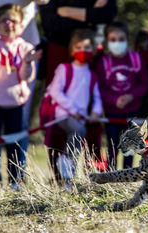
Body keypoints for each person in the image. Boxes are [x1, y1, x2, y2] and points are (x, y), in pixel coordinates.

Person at [0, 0, 49, 169]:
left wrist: (27, 63)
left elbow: (27, 77)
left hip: (17, 103)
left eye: (13, 21)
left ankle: (16, 177)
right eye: (4, 21)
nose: (9, 24)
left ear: (21, 25)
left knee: (16, 140)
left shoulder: (26, 47)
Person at [46, 29, 103, 184]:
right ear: (72, 49)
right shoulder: (64, 69)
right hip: (63, 114)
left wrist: (96, 113)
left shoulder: (92, 75)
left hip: (81, 117)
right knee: (79, 131)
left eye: (87, 47)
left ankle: (68, 180)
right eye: (79, 47)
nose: (83, 51)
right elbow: (55, 91)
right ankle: (64, 162)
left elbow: (97, 98)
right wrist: (73, 110)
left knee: (77, 144)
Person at [94, 21, 148, 169]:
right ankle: (111, 176)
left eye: (121, 39)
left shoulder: (136, 59)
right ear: (107, 41)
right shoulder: (103, 62)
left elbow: (145, 84)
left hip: (131, 113)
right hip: (111, 113)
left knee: (130, 148)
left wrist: (131, 96)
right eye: (113, 39)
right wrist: (114, 100)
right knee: (112, 147)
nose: (117, 42)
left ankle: (126, 177)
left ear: (128, 40)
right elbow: (100, 88)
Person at [39, 0, 117, 86]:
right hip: (59, 50)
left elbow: (107, 14)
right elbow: (49, 22)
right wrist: (90, 20)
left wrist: (67, 11)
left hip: (91, 50)